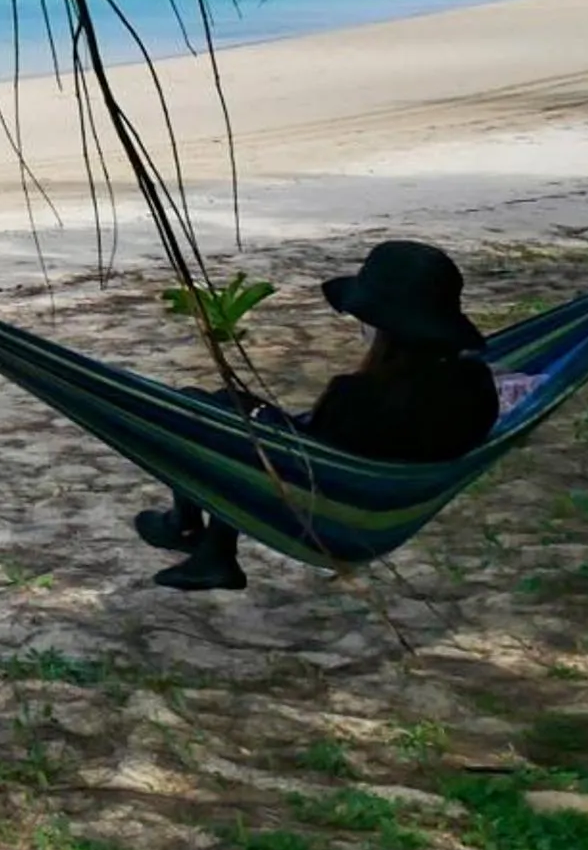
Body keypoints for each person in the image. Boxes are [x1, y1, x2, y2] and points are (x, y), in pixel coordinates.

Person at [137, 239, 499, 592]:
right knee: (228, 409)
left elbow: (309, 468)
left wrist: (264, 421)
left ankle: (195, 534)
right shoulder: (476, 384)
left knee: (196, 410)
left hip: (324, 501)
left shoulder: (358, 398)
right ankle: (201, 539)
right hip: (381, 494)